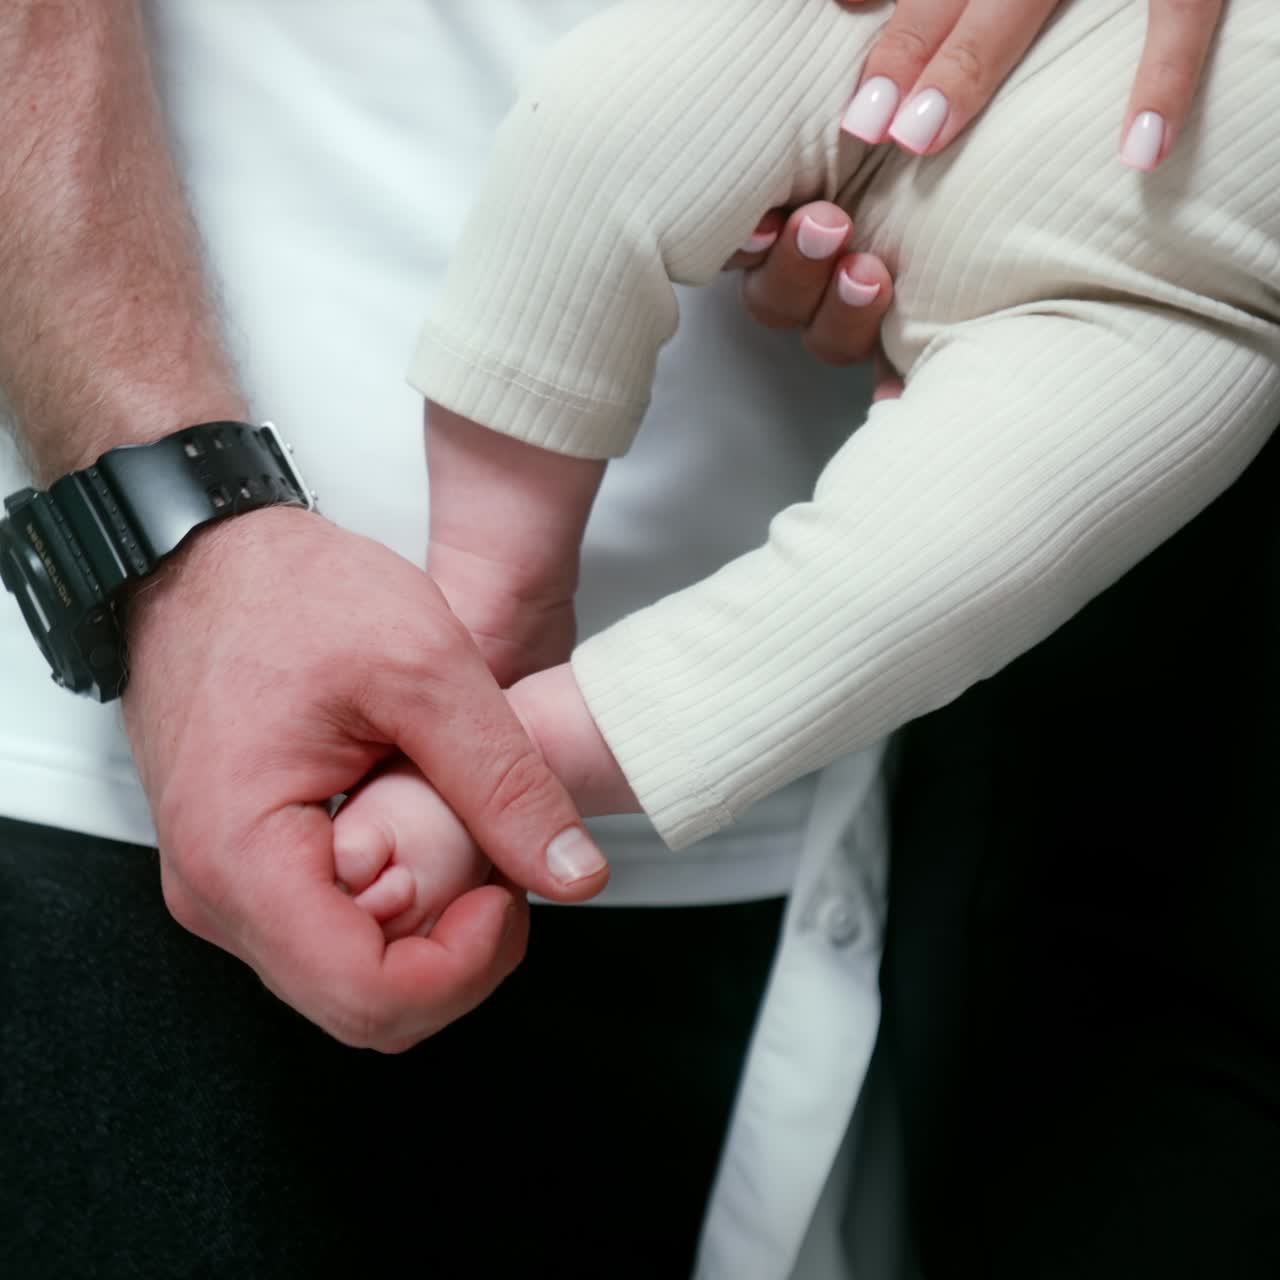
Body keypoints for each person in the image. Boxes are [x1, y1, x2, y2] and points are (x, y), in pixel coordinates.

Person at [0, 3, 1233, 1280]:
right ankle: (484, 656)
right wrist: (181, 538)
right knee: (622, 143)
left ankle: (488, 720)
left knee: (969, 522)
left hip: (817, 833)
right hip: (168, 738)